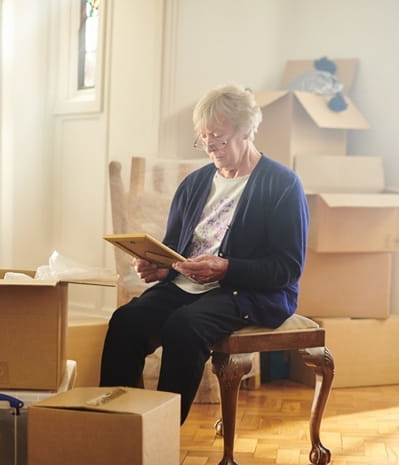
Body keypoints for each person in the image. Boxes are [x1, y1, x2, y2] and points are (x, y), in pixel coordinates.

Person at [99, 83, 308, 424]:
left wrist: (226, 268)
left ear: (247, 131)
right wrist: (163, 269)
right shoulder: (194, 183)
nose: (209, 145)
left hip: (249, 293)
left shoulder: (282, 184)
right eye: (203, 136)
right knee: (126, 321)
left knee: (185, 326)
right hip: (187, 287)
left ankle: (160, 435)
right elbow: (176, 250)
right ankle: (112, 426)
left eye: (218, 137)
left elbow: (287, 267)